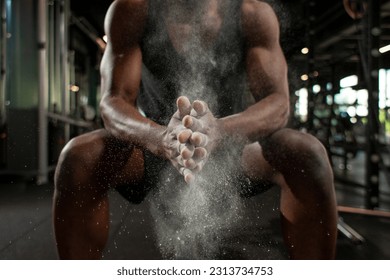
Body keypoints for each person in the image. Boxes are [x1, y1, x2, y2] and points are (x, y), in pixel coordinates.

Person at [53, 0, 338, 259]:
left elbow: (278, 103)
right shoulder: (133, 10)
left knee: (306, 152)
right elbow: (113, 101)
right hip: (158, 148)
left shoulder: (251, 13)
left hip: (231, 149)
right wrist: (161, 138)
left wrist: (219, 131)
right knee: (79, 156)